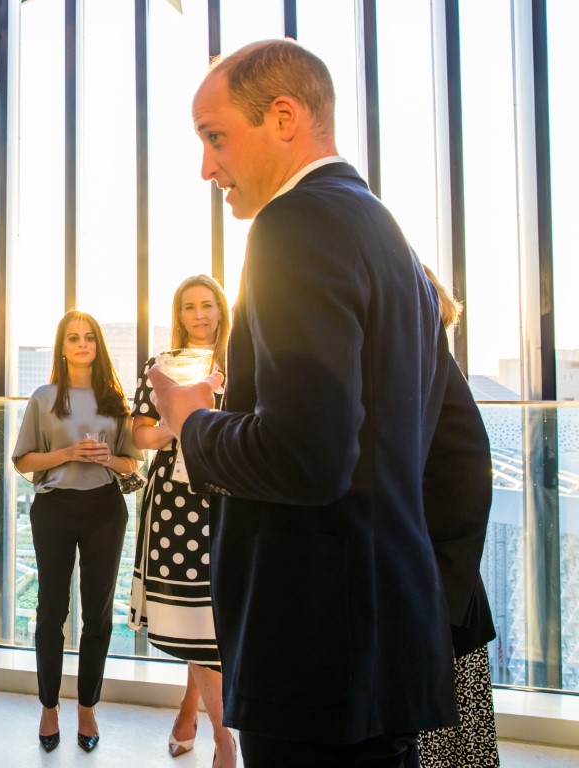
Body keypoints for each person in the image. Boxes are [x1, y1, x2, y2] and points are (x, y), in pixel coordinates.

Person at [149, 40, 475, 766]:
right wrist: (424, 602)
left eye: (215, 136)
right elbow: (458, 449)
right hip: (387, 648)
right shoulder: (387, 238)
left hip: (314, 655)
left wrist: (192, 423)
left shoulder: (291, 227)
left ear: (285, 118)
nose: (207, 166)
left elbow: (307, 457)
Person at [12, 310, 143, 754]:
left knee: (98, 616)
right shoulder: (44, 397)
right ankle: (49, 706)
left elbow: (131, 463)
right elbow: (23, 461)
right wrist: (67, 452)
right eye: (73, 337)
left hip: (105, 510)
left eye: (89, 337)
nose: (82, 343)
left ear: (97, 346)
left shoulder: (114, 398)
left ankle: (88, 706)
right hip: (53, 509)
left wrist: (106, 458)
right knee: (51, 611)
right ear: (62, 348)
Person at [128, 274, 234, 764]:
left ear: (221, 310)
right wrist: (183, 420)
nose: (198, 314)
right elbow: (140, 437)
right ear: (179, 314)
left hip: (231, 499)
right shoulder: (160, 366)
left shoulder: (242, 364)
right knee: (193, 623)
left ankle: (189, 707)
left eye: (207, 305)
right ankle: (224, 738)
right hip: (174, 505)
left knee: (214, 622)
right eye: (189, 306)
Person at [417, 266, 499, 768]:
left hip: (439, 597)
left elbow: (466, 476)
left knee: (447, 744)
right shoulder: (428, 373)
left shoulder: (428, 375)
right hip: (445, 592)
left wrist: (436, 599)